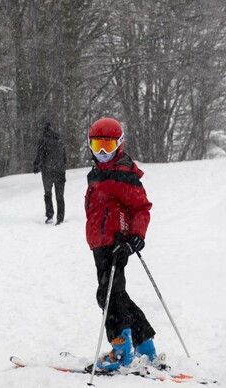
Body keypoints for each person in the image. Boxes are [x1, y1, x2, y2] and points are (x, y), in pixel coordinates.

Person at [85, 117, 161, 371]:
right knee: (117, 294)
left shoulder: (124, 175)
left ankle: (120, 350)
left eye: (108, 145)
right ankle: (145, 345)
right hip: (99, 242)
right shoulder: (96, 173)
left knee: (108, 295)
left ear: (120, 144)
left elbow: (142, 208)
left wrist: (135, 237)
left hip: (116, 244)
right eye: (97, 145)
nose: (103, 152)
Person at [33, 122, 66, 225]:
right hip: (60, 171)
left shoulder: (43, 140)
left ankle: (50, 215)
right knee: (59, 196)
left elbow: (39, 154)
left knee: (48, 194)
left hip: (48, 171)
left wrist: (36, 165)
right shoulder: (60, 141)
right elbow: (65, 158)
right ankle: (60, 217)